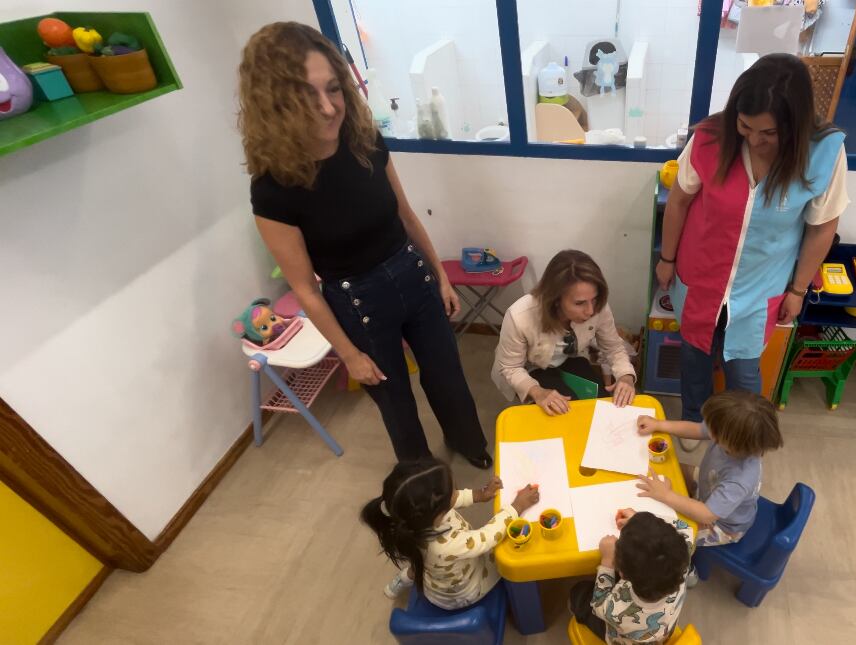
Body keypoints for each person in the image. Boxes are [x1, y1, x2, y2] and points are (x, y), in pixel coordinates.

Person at [239, 22, 491, 468]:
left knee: (448, 376)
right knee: (395, 401)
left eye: (333, 90)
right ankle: (421, 478)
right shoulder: (273, 188)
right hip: (357, 304)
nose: (327, 108)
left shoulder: (365, 140)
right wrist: (350, 354)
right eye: (306, 97)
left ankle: (470, 445)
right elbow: (305, 289)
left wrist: (442, 276)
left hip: (412, 275)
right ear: (276, 105)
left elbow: (406, 215)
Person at [655, 53, 849, 421]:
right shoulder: (712, 137)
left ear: (795, 124)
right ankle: (694, 418)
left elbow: (822, 226)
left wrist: (798, 289)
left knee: (743, 374)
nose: (755, 140)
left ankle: (736, 434)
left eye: (769, 133)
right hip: (699, 277)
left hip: (762, 287)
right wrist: (667, 258)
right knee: (694, 357)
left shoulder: (824, 151)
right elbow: (679, 201)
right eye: (746, 127)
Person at [359, 457, 540, 606]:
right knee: (507, 558)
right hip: (461, 595)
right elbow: (486, 537)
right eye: (452, 491)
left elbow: (453, 500)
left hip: (433, 575)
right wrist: (517, 506)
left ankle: (404, 578)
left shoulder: (408, 520)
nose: (456, 493)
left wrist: (480, 494)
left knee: (420, 563)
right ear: (438, 512)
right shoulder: (446, 546)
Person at [492, 249, 637, 416]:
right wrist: (537, 392)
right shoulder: (519, 316)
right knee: (565, 414)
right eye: (580, 303)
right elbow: (511, 368)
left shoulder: (598, 307)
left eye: (595, 299)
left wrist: (626, 376)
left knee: (601, 407)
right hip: (530, 366)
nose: (591, 311)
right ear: (555, 299)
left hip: (571, 357)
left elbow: (614, 348)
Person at [635, 390, 783, 548]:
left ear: (729, 441)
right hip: (709, 484)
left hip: (720, 526)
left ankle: (686, 568)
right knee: (669, 469)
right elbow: (697, 429)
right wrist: (659, 424)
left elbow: (706, 515)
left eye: (712, 431)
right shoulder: (730, 432)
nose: (707, 429)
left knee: (665, 532)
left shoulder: (739, 480)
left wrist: (666, 495)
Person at [568, 510, 693, 644]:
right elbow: (686, 527)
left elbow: (598, 604)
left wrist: (607, 561)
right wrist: (642, 525)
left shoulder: (617, 609)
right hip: (663, 631)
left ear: (622, 574)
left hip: (621, 637)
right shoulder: (683, 558)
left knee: (578, 591)